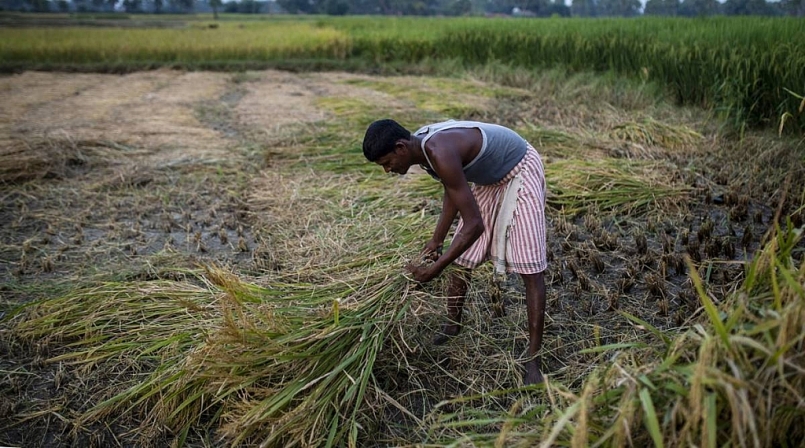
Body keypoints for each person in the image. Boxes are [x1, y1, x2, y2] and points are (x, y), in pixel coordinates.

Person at [362, 118, 548, 385]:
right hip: (489, 178)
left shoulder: (439, 150)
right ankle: (453, 326)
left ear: (401, 147)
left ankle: (534, 361)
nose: (387, 170)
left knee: (531, 268)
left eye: (386, 162)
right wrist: (436, 241)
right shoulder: (423, 149)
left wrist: (435, 269)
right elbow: (452, 189)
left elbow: (474, 225)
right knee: (461, 261)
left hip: (519, 167)